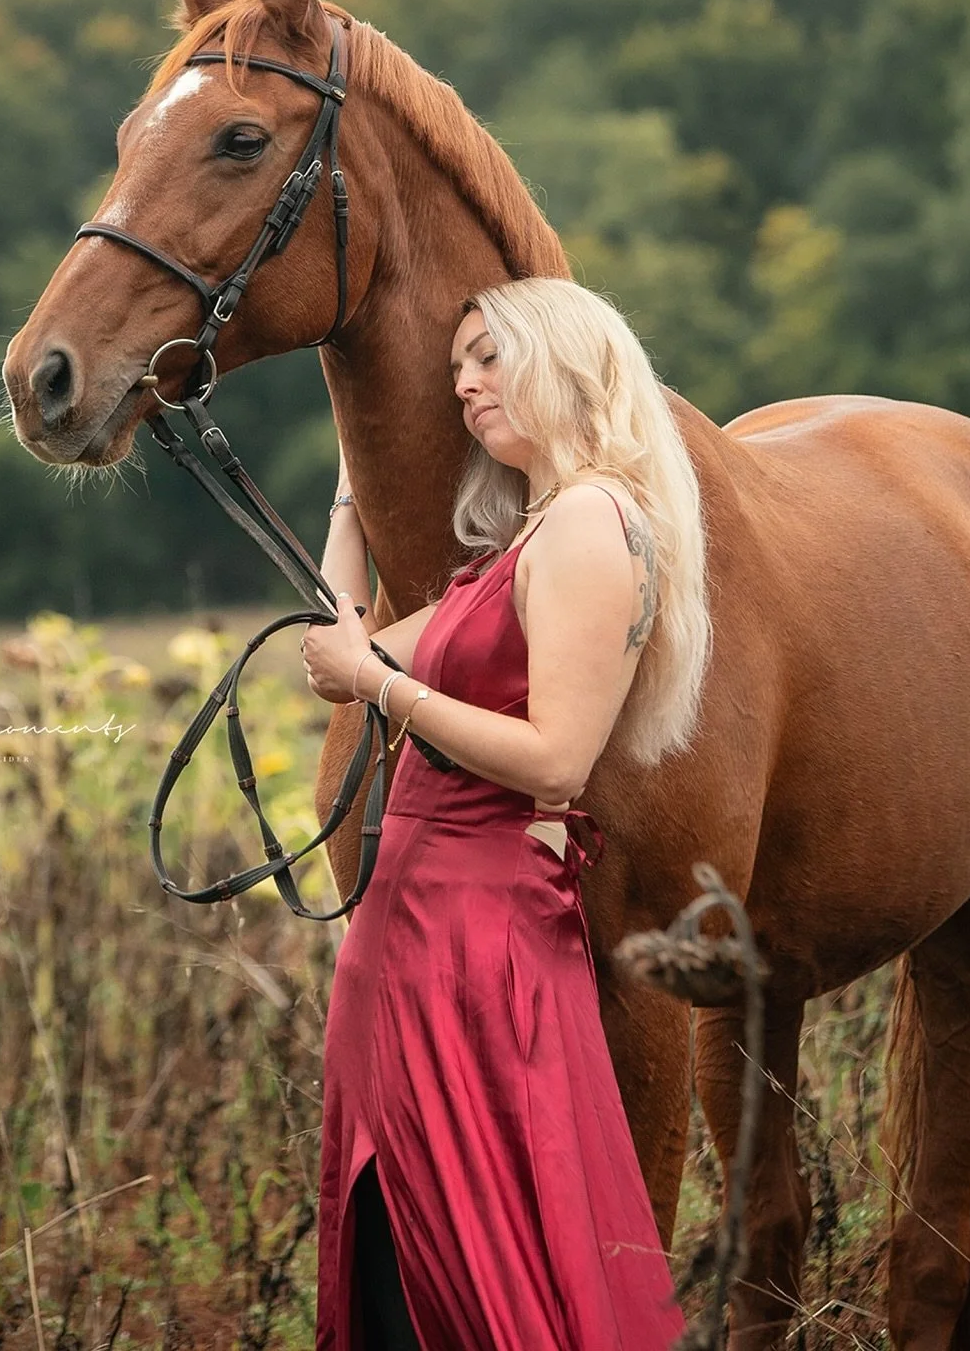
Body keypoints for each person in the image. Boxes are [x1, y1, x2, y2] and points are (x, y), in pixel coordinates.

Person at [300, 276, 710, 1351]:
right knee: (395, 1237)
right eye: (457, 368)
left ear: (567, 362)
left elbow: (556, 759)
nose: (466, 385)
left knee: (466, 1255)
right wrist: (349, 495)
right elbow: (343, 649)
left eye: (489, 357)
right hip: (413, 932)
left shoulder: (590, 523)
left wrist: (376, 682)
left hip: (474, 937)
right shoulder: (522, 545)